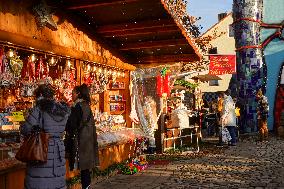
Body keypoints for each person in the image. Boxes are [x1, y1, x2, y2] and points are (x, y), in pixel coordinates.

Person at [21, 84, 70, 189]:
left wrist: (24, 123)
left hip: (42, 150)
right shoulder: (63, 111)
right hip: (58, 151)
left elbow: (26, 129)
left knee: (40, 182)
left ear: (41, 95)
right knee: (56, 181)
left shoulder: (39, 109)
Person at [65, 84, 99, 189]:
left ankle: (85, 187)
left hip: (80, 141)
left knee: (84, 168)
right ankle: (87, 187)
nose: (72, 95)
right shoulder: (86, 106)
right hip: (87, 140)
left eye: (73, 93)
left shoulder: (77, 106)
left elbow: (72, 125)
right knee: (85, 169)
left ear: (78, 94)